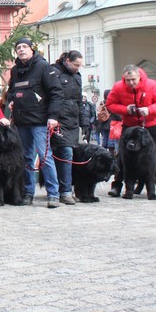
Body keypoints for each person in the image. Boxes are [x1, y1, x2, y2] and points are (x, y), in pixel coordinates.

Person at [5, 38, 64, 208]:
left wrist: (53, 116)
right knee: (26, 158)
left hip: (40, 121)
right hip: (22, 121)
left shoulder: (43, 67)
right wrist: (11, 99)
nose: (21, 50)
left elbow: (56, 92)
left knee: (45, 157)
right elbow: (11, 90)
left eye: (24, 47)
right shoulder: (16, 70)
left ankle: (53, 194)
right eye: (18, 47)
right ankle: (28, 192)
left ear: (32, 49)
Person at [105, 64, 156, 199]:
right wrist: (125, 109)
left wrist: (149, 109)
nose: (131, 83)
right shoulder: (118, 87)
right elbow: (110, 104)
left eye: (133, 80)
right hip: (129, 125)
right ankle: (117, 186)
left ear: (139, 76)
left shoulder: (152, 85)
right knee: (122, 155)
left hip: (151, 124)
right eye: (128, 80)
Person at [50, 50, 88, 205]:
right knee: (65, 153)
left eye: (80, 65)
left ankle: (65, 188)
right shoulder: (54, 72)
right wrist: (52, 117)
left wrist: (84, 121)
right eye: (75, 65)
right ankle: (65, 191)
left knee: (69, 154)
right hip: (59, 120)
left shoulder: (77, 77)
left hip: (73, 122)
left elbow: (79, 102)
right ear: (67, 60)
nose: (77, 68)